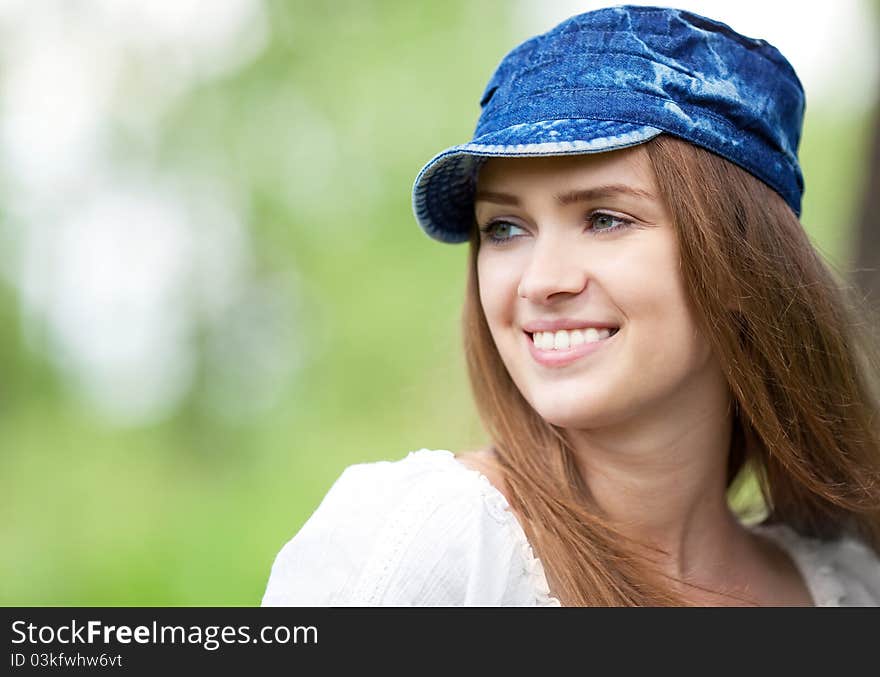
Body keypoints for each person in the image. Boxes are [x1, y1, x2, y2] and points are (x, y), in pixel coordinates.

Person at [262, 5, 880, 606]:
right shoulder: (436, 545)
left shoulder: (849, 586)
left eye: (605, 218)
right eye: (504, 229)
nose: (539, 282)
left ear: (745, 261)